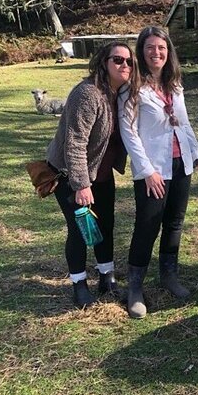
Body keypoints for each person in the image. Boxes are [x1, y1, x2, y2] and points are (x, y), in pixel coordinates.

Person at [119, 26, 198, 319]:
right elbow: (128, 132)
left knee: (174, 223)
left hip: (180, 164)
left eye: (161, 47)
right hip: (153, 170)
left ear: (168, 52)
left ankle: (168, 275)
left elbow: (184, 125)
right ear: (141, 52)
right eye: (149, 48)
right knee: (147, 225)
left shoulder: (175, 85)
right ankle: (135, 287)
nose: (156, 53)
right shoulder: (132, 88)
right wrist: (147, 171)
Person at [46, 41, 139, 307]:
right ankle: (79, 284)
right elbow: (74, 142)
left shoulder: (118, 93)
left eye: (130, 62)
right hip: (69, 175)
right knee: (79, 230)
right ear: (103, 62)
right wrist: (80, 185)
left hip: (101, 173)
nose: (125, 65)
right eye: (118, 60)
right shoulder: (87, 94)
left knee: (105, 225)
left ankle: (106, 278)